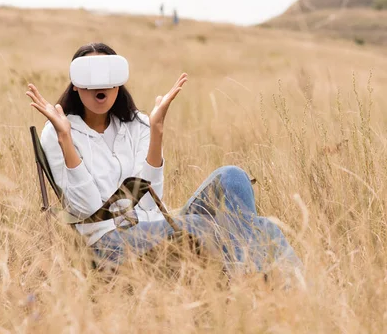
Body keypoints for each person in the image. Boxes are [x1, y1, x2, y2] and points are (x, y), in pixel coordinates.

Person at [26, 42, 301, 275]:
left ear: (119, 83)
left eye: (109, 75)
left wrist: (156, 131)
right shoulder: (59, 131)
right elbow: (86, 210)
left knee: (232, 177)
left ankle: (279, 289)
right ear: (76, 84)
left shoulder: (139, 124)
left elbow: (150, 201)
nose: (101, 85)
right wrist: (66, 140)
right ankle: (250, 283)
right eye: (90, 75)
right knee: (224, 227)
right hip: (106, 241)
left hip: (155, 226)